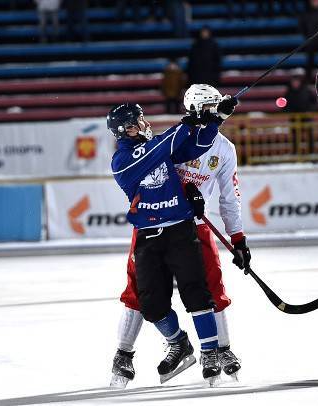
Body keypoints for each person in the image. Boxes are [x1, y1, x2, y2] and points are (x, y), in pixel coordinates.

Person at [111, 85, 249, 388]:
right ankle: (125, 353)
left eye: (214, 106)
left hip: (193, 223)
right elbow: (157, 165)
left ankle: (220, 349)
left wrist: (237, 237)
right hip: (151, 225)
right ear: (191, 109)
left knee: (209, 285)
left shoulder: (222, 147)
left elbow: (230, 197)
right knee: (139, 290)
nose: (209, 111)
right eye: (204, 108)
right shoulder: (165, 139)